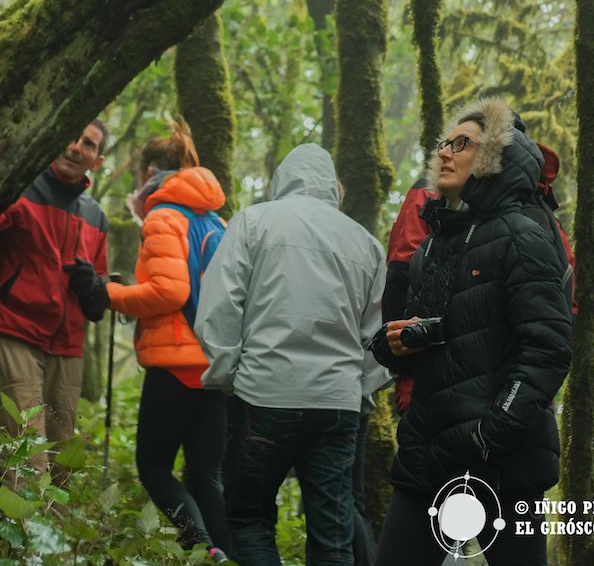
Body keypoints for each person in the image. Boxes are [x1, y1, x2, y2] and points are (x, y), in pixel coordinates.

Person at [372, 97, 573, 566]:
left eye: (462, 143)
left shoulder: (524, 236)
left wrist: (491, 433)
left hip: (506, 463)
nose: (444, 151)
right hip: (428, 456)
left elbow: (547, 348)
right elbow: (442, 333)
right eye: (445, 142)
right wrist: (395, 344)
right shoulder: (432, 246)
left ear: (491, 159)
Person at [195, 142, 387, 566]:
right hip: (337, 405)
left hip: (264, 394)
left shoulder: (253, 222)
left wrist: (229, 375)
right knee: (333, 536)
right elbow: (379, 336)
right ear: (332, 187)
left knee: (249, 520)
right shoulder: (366, 243)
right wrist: (360, 391)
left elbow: (218, 307)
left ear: (283, 179)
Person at [103, 120, 231, 565]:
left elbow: (168, 292)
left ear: (150, 173)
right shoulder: (216, 219)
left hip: (177, 364)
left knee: (154, 467)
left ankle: (201, 547)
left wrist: (110, 294)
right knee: (206, 473)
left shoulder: (164, 216)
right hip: (216, 367)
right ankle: (223, 554)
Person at [0, 120, 109, 458]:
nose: (76, 147)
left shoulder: (95, 215)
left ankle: (54, 514)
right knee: (27, 454)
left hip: (68, 347)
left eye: (88, 144)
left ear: (97, 161)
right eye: (71, 136)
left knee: (63, 458)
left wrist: (92, 285)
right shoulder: (21, 188)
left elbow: (102, 292)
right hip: (15, 330)